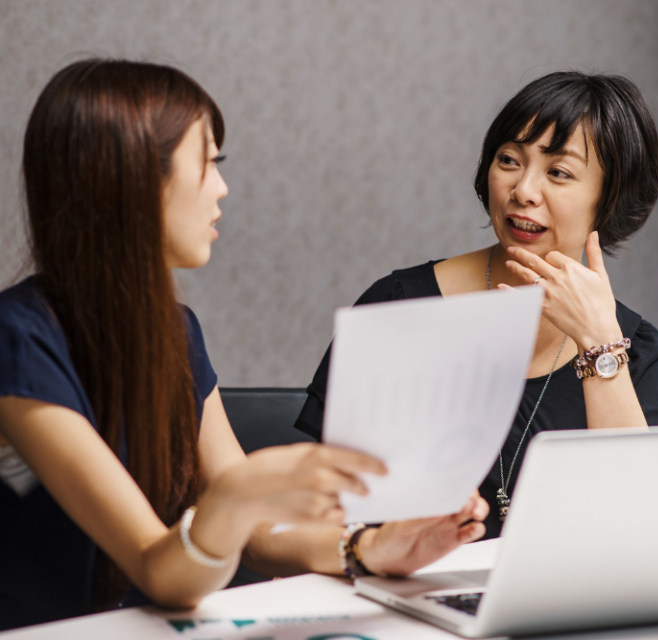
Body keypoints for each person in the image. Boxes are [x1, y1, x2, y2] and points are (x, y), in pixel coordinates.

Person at [0, 59, 489, 631]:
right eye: (209, 163)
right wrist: (234, 498)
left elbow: (255, 534)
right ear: (133, 181)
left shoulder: (176, 331)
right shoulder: (17, 339)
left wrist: (368, 548)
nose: (223, 187)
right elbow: (161, 570)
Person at [295, 71, 658, 537]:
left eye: (558, 172)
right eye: (508, 160)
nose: (523, 190)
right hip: (402, 595)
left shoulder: (641, 357)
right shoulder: (398, 309)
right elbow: (316, 507)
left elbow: (645, 533)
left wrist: (599, 345)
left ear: (609, 199)